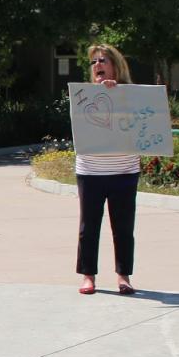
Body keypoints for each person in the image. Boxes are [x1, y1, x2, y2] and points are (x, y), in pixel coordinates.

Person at [75, 42, 139, 296]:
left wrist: (116, 94)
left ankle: (123, 276)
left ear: (115, 66)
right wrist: (101, 94)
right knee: (88, 226)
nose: (97, 65)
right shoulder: (84, 96)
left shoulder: (132, 95)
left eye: (102, 61)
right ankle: (88, 275)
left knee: (123, 227)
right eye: (94, 62)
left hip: (124, 171)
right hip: (91, 172)